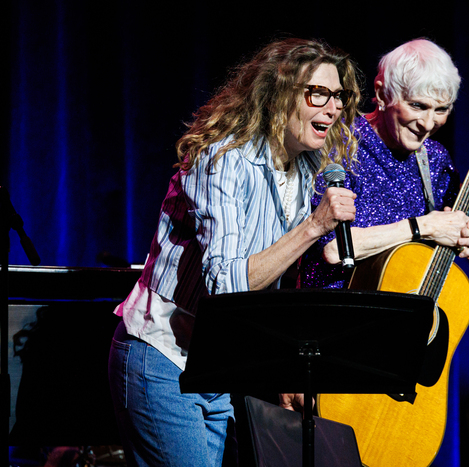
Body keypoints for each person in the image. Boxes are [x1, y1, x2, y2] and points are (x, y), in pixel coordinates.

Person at [107, 38, 361, 467]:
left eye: (338, 96)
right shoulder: (222, 159)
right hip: (164, 360)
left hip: (219, 367)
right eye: (318, 92)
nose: (333, 107)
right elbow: (226, 286)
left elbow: (272, 285)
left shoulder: (302, 169)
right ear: (279, 94)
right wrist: (314, 226)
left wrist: (282, 372)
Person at [300, 38, 469, 290]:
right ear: (382, 94)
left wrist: (462, 236)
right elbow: (333, 248)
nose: (428, 124)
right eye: (418, 106)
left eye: (441, 109)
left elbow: (446, 231)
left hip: (402, 309)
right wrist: (424, 226)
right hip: (335, 312)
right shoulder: (341, 145)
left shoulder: (436, 159)